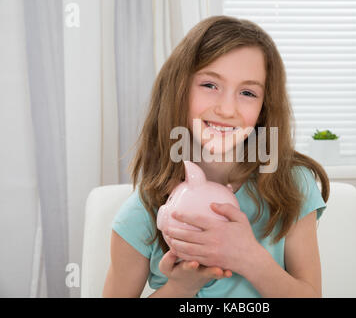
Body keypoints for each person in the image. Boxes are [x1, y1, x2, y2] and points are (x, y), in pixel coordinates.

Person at [103, 15, 329, 298]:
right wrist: (181, 286)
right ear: (179, 89)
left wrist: (249, 257)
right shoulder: (143, 211)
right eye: (210, 85)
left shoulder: (291, 186)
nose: (226, 109)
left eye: (247, 92)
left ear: (264, 108)